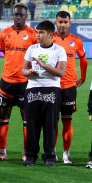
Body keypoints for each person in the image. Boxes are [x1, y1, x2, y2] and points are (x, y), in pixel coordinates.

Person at [0, 3, 37, 162]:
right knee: (3, 116)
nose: (18, 17)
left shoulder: (33, 35)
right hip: (7, 81)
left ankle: (25, 152)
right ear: (13, 15)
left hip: (25, 82)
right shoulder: (5, 33)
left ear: (26, 16)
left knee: (27, 118)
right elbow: (5, 53)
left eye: (21, 15)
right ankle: (2, 153)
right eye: (16, 14)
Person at [21, 21, 67, 167]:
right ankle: (30, 156)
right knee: (32, 124)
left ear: (50, 34)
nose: (38, 35)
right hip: (33, 88)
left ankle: (49, 156)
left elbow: (61, 72)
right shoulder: (32, 49)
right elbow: (23, 70)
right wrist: (30, 72)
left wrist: (43, 65)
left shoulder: (59, 50)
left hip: (51, 88)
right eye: (37, 32)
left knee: (50, 125)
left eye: (41, 32)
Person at [52, 11, 87, 164]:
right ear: (56, 23)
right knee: (53, 122)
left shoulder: (76, 41)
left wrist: (83, 77)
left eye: (65, 22)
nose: (63, 25)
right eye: (60, 22)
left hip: (69, 86)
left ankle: (66, 153)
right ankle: (52, 151)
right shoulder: (50, 38)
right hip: (52, 85)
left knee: (67, 121)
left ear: (70, 24)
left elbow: (83, 59)